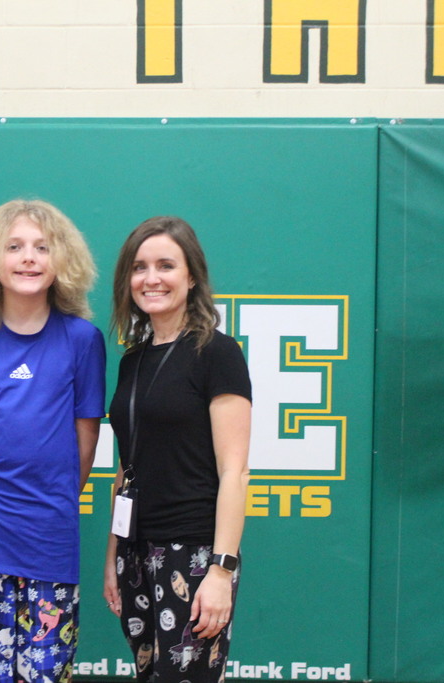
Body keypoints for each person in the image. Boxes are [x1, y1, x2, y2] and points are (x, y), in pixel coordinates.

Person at [0, 199, 106, 682]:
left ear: (62, 261)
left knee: (46, 673)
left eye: (41, 247)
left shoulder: (82, 339)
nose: (28, 257)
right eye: (14, 247)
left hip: (49, 531)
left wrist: (51, 501)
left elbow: (86, 435)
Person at [103, 216, 252, 682]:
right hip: (135, 551)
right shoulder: (133, 360)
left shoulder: (218, 353)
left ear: (191, 277)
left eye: (166, 265)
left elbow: (236, 471)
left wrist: (221, 571)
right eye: (139, 267)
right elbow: (127, 470)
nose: (151, 278)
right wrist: (113, 556)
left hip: (193, 553)